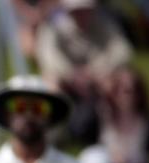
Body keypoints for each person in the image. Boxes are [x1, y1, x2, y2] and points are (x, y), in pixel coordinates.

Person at [35, 0, 133, 145]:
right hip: (66, 78)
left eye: (85, 10)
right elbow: (48, 57)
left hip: (97, 77)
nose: (81, 15)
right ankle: (52, 134)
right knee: (52, 83)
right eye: (76, 11)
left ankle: (115, 135)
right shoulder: (53, 26)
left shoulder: (104, 24)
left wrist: (95, 71)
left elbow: (123, 51)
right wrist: (72, 74)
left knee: (120, 80)